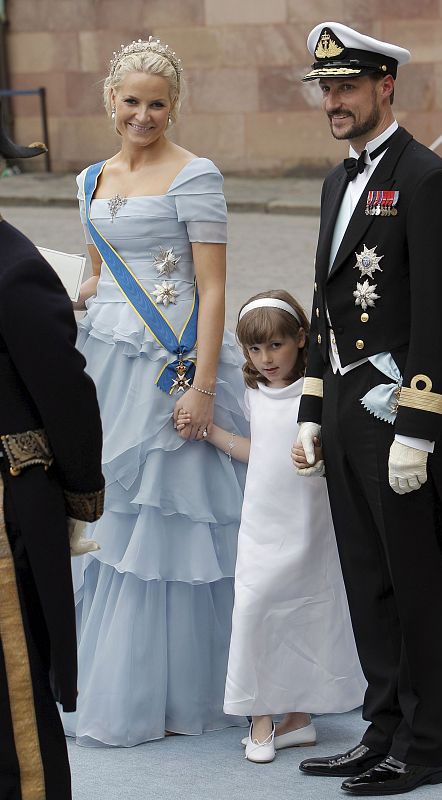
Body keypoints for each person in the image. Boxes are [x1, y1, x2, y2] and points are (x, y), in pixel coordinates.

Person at [294, 23, 442, 796]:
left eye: (345, 86)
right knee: (366, 578)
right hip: (343, 406)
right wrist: (310, 404)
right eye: (325, 88)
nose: (333, 101)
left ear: (385, 87)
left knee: (413, 584)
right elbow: (324, 304)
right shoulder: (337, 183)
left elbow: (439, 320)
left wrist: (417, 430)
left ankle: (427, 746)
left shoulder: (428, 178)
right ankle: (382, 730)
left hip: (396, 413)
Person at [62, 36, 248, 747]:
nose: (144, 115)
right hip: (105, 363)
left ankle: (193, 689)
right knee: (109, 511)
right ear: (112, 100)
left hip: (173, 363)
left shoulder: (195, 175)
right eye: (132, 101)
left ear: (174, 107)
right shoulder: (88, 180)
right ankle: (107, 676)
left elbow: (212, 287)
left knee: (172, 515)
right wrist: (65, 295)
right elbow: (96, 273)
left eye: (157, 104)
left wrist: (203, 389)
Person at [177, 290, 366, 764]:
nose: (266, 359)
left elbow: (332, 447)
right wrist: (206, 431)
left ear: (302, 339)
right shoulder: (252, 393)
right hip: (263, 523)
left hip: (311, 522)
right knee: (255, 606)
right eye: (255, 350)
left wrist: (317, 451)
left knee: (304, 612)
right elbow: (254, 449)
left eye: (276, 346)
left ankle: (298, 718)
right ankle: (260, 716)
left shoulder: (317, 392)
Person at [0, 110, 104, 799]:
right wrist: (80, 489)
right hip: (10, 499)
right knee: (18, 704)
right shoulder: (12, 266)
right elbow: (64, 391)